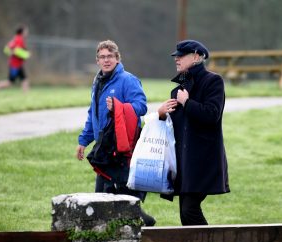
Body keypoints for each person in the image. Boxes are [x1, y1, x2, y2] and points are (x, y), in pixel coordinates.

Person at [76, 40, 155, 226]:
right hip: (104, 150)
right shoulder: (97, 82)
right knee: (101, 201)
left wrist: (119, 107)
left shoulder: (128, 80)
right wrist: (83, 140)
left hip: (122, 150)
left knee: (125, 203)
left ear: (117, 58)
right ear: (97, 61)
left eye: (110, 56)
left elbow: (141, 107)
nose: (106, 60)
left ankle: (146, 225)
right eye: (102, 57)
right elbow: (92, 113)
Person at [158, 40, 230, 226]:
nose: (177, 59)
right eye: (176, 56)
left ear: (197, 56)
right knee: (186, 213)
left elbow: (212, 115)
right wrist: (162, 114)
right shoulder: (178, 89)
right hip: (183, 161)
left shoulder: (213, 81)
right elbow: (175, 127)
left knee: (189, 210)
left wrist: (187, 103)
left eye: (182, 56)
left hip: (202, 161)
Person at [0, 25, 30, 93]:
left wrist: (11, 53)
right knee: (9, 82)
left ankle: (26, 95)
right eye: (26, 31)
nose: (27, 32)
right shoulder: (19, 39)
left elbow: (6, 49)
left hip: (18, 64)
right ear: (22, 31)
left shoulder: (16, 38)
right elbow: (16, 50)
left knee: (24, 79)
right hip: (15, 65)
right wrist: (26, 55)